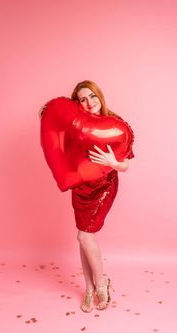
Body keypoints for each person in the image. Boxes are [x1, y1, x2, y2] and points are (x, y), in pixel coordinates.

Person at [39, 80, 134, 313]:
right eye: (82, 99)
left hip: (104, 186)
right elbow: (61, 138)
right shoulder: (77, 125)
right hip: (80, 188)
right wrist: (48, 112)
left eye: (92, 96)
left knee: (84, 237)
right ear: (78, 103)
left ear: (99, 96)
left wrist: (113, 163)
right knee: (84, 238)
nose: (89, 102)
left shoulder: (116, 124)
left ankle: (102, 285)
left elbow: (126, 164)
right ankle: (89, 288)